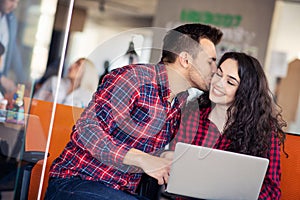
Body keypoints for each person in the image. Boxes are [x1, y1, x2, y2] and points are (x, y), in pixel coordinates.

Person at [44, 23, 223, 200]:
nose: (215, 70)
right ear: (185, 59)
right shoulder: (135, 79)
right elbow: (87, 131)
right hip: (76, 183)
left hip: (120, 192)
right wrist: (142, 159)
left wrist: (163, 157)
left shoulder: (179, 102)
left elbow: (139, 145)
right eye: (210, 61)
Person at [165, 52, 287, 200]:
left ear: (245, 92)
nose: (218, 84)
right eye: (218, 74)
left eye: (230, 82)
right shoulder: (190, 115)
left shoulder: (264, 130)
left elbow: (272, 190)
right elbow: (173, 173)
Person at [34, 58, 99, 108]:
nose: (72, 65)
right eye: (74, 62)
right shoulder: (54, 82)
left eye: (78, 64)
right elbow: (35, 102)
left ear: (86, 72)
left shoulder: (88, 97)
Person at [0, 0, 23, 95]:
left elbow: (13, 50)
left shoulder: (11, 20)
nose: (14, 6)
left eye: (17, 2)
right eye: (12, 0)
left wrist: (22, 79)